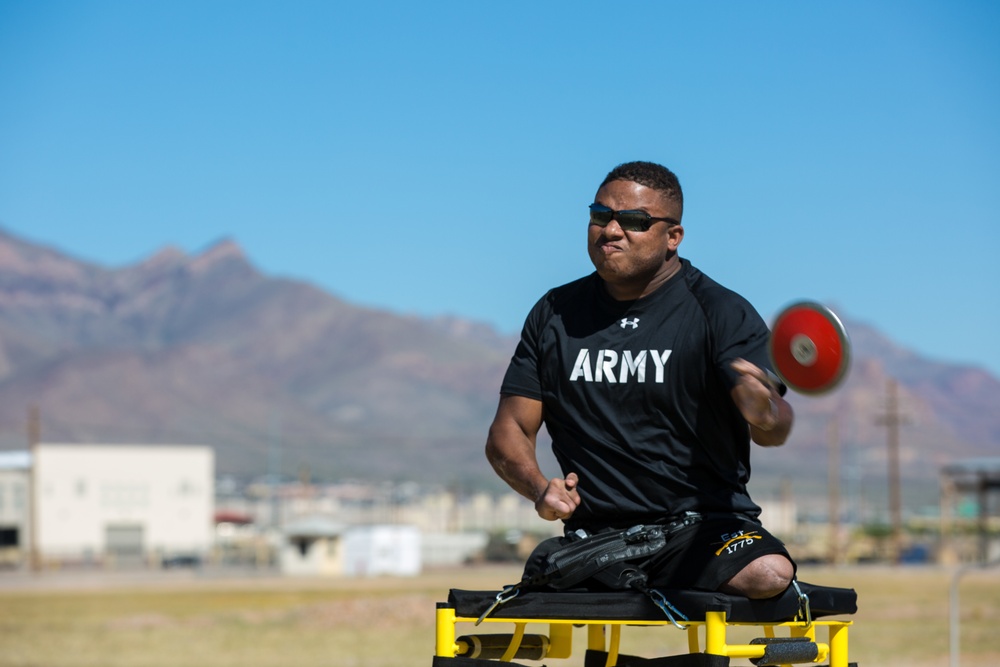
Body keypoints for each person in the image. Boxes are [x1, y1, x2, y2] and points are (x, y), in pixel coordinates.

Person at [485, 161, 796, 599]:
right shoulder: (554, 313)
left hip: (703, 528)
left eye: (633, 220)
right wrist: (540, 489)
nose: (611, 230)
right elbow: (509, 430)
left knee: (768, 573)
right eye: (600, 216)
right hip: (594, 538)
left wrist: (763, 411)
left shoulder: (720, 311)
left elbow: (774, 427)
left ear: (673, 237)